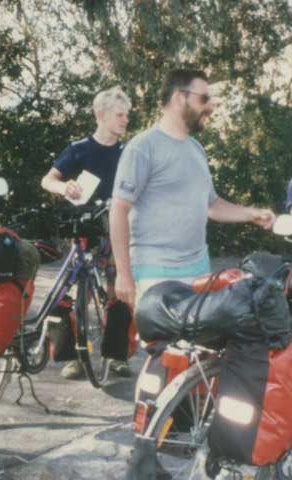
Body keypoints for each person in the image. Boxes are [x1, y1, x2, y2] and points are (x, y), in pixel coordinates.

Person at [109, 68, 274, 309]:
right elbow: (118, 210)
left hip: (199, 270)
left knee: (199, 345)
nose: (210, 106)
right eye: (203, 99)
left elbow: (212, 205)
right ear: (179, 98)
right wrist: (123, 275)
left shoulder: (196, 149)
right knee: (166, 347)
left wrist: (251, 214)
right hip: (156, 271)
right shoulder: (143, 147)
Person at [41, 86, 132, 379]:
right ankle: (72, 356)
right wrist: (63, 186)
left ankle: (117, 356)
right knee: (64, 292)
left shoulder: (129, 153)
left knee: (117, 292)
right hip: (84, 227)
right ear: (100, 115)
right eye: (120, 115)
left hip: (115, 229)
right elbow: (48, 180)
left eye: (127, 115)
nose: (125, 120)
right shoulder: (79, 149)